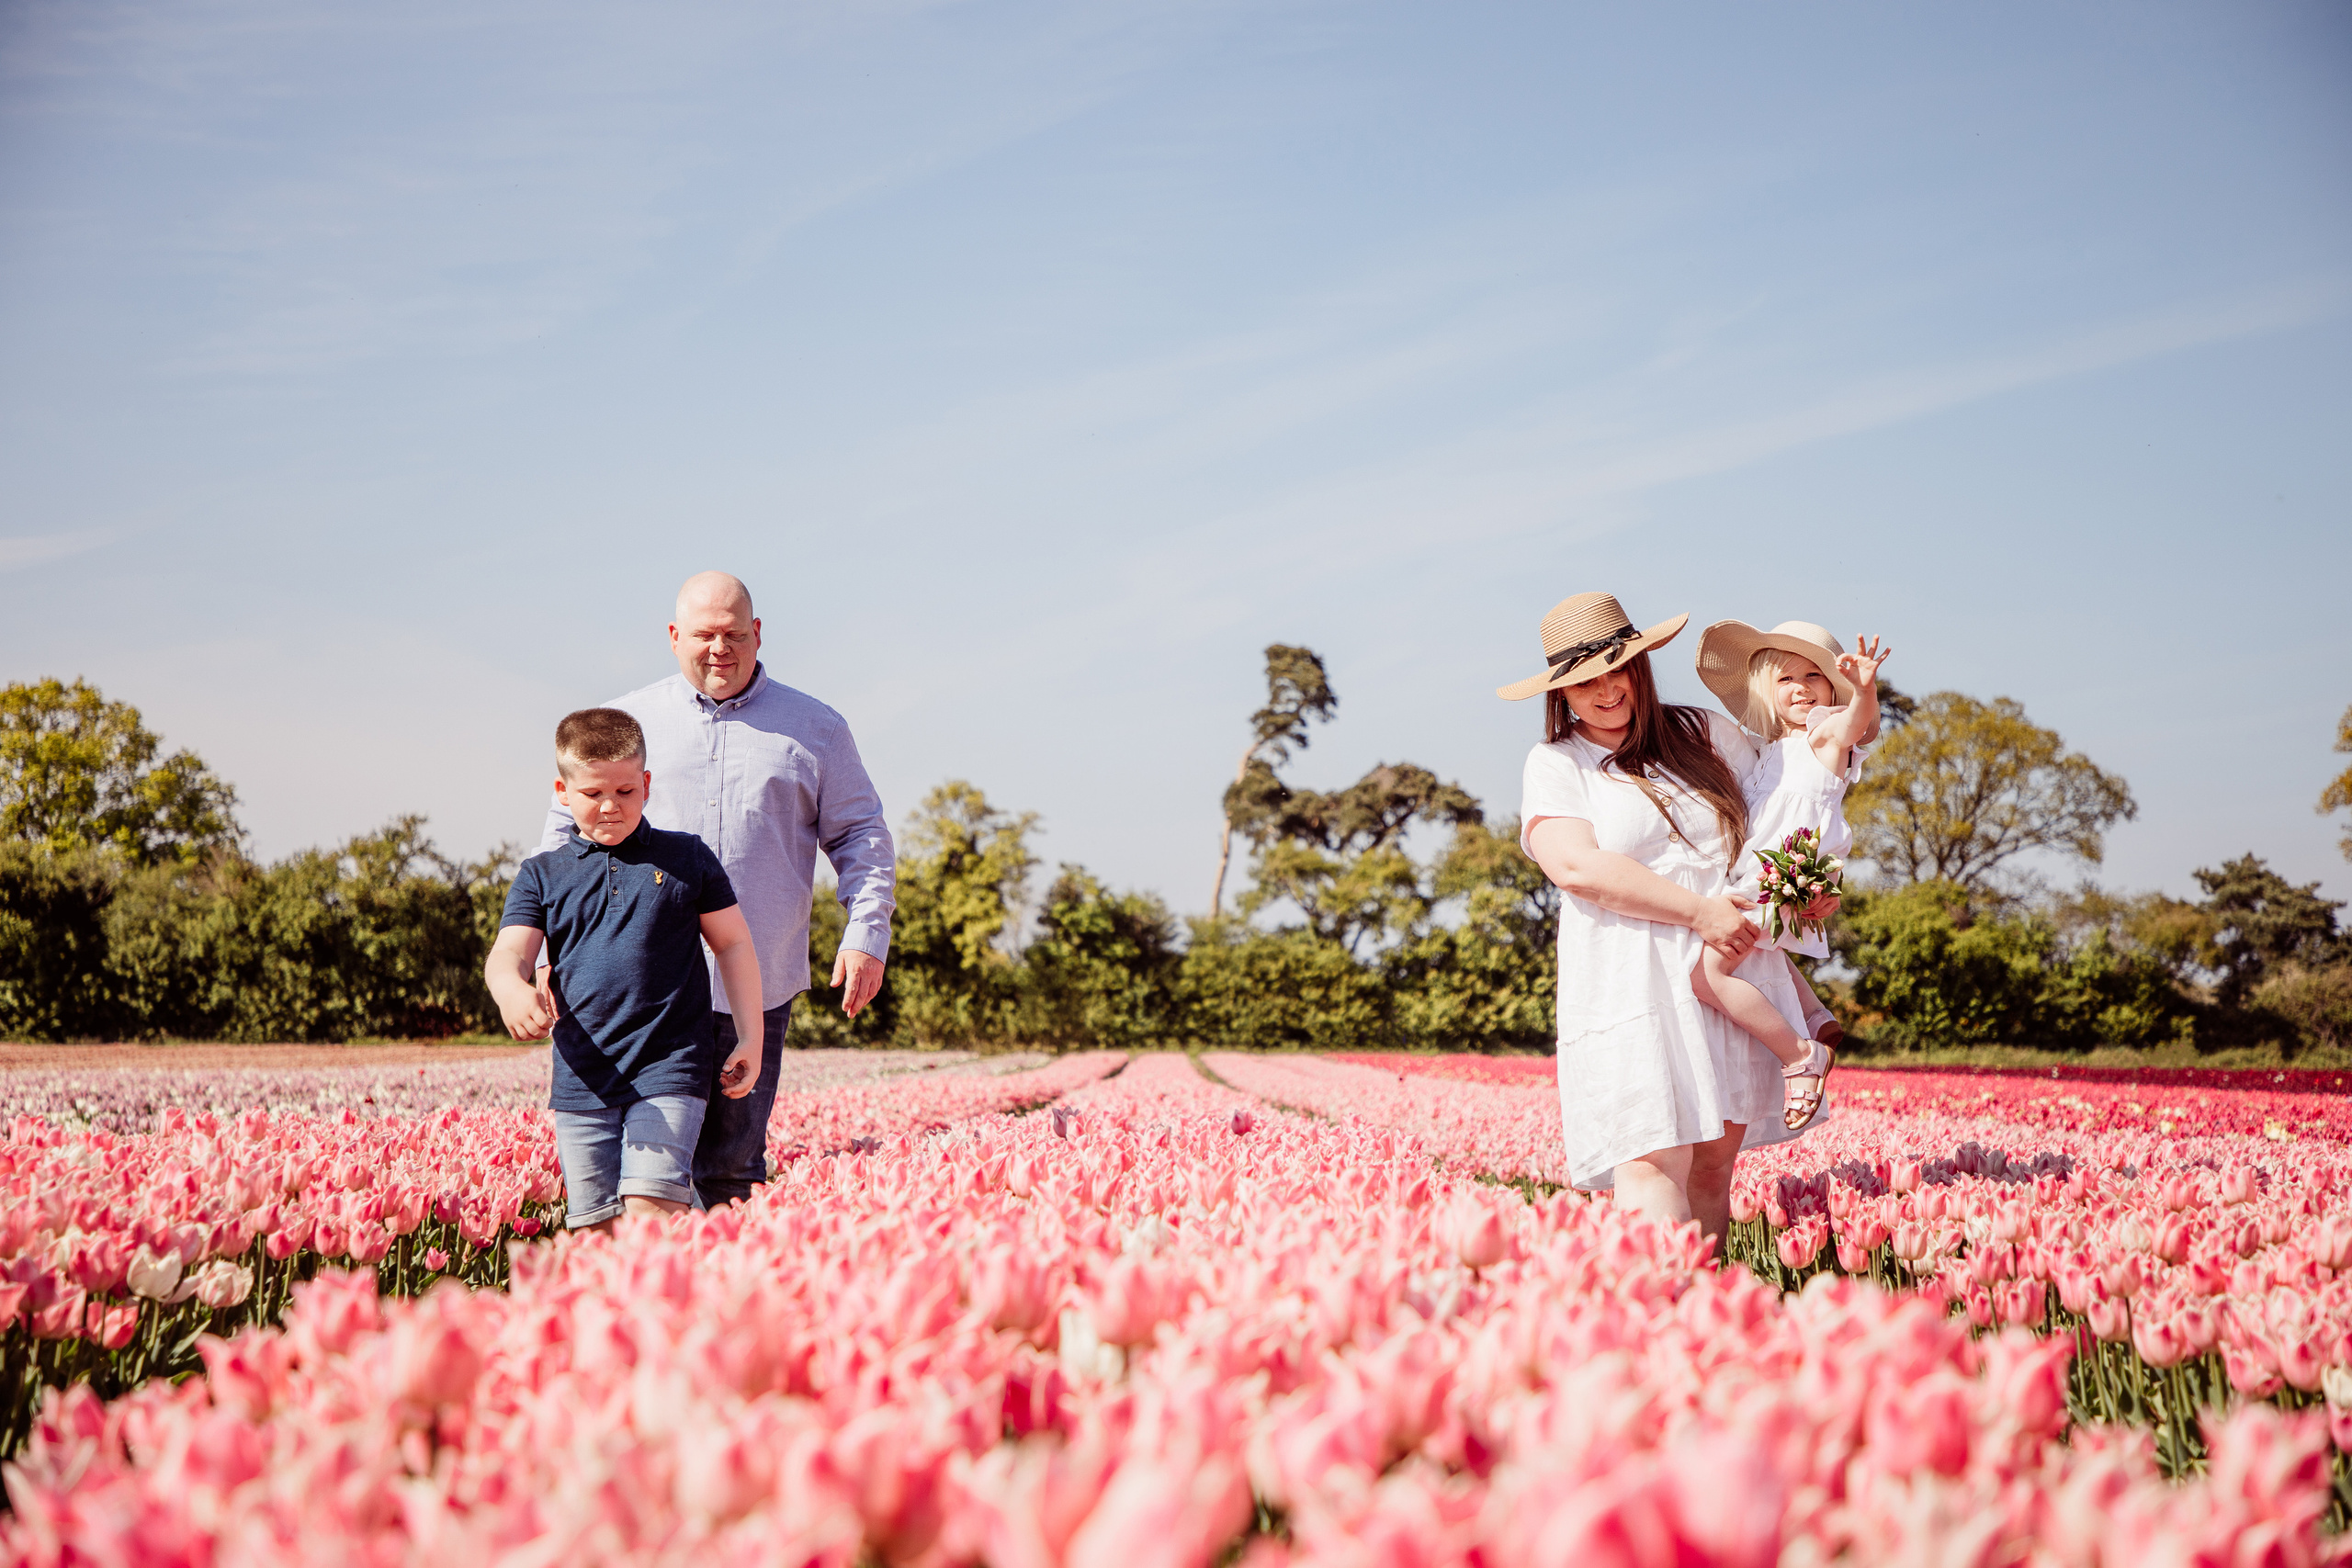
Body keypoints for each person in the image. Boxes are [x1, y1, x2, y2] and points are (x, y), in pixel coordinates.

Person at [537, 571, 897, 1208]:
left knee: (729, 1169)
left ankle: (724, 1272)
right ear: (674, 636)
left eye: (734, 634)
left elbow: (862, 833)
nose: (719, 648)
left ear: (758, 633)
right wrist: (546, 951)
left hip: (754, 984)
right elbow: (563, 836)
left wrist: (866, 932)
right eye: (704, 634)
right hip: (634, 988)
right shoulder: (626, 723)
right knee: (627, 1177)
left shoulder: (816, 727)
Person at [1501, 592, 1824, 1245]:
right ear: (1561, 692)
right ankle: (1655, 1301)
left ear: (1641, 665)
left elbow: (1783, 814)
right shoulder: (1558, 762)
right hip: (1630, 978)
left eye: (1617, 670)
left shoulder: (1706, 732)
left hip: (1724, 975)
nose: (1605, 690)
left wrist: (1809, 885)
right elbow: (1577, 867)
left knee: (1712, 1166)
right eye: (1584, 681)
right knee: (1649, 1161)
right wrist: (1699, 911)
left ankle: (1702, 1306)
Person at [489, 708, 764, 1232]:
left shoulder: (687, 857)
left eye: (625, 791)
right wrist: (511, 991)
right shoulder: (541, 874)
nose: (610, 806)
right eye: (592, 793)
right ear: (562, 791)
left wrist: (751, 1035)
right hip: (582, 1075)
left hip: (671, 1066)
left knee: (650, 1211)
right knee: (594, 1229)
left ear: (647, 784)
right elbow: (509, 955)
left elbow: (732, 943)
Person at [1687, 620, 1889, 1130]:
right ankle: (1817, 1018)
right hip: (1760, 874)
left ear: (1831, 688)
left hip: (1779, 876)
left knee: (1707, 975)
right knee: (1759, 952)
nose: (1801, 688)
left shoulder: (1824, 735)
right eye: (1786, 679)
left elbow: (1854, 724)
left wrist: (1864, 690)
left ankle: (1799, 1055)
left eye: (1813, 676)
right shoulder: (1768, 751)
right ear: (1765, 690)